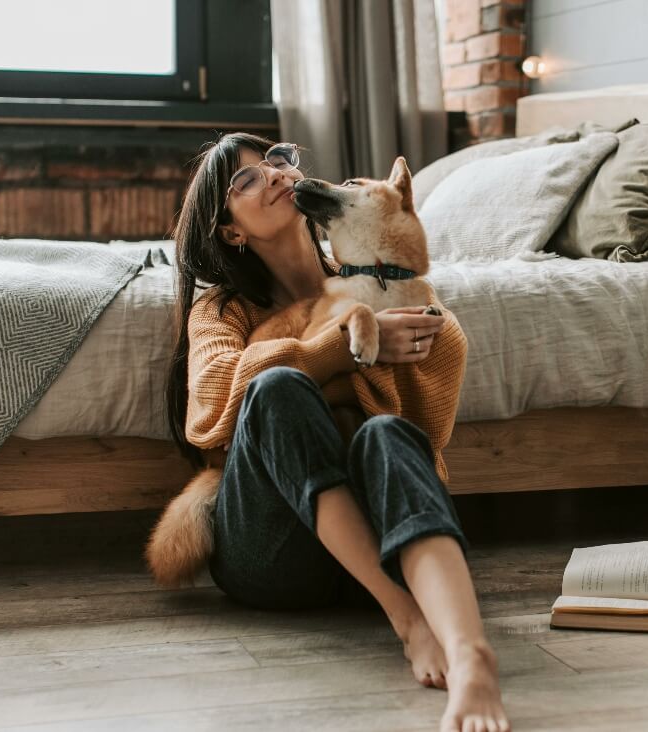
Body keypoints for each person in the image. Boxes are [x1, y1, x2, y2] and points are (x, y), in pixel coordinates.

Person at [164, 132, 510, 732]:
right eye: (246, 181)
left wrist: (399, 323)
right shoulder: (223, 311)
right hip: (273, 555)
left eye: (277, 160)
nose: (272, 175)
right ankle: (409, 620)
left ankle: (470, 654)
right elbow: (213, 400)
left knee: (389, 436)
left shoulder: (375, 273)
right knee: (274, 387)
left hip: (381, 534)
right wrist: (342, 352)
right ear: (232, 233)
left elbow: (428, 423)